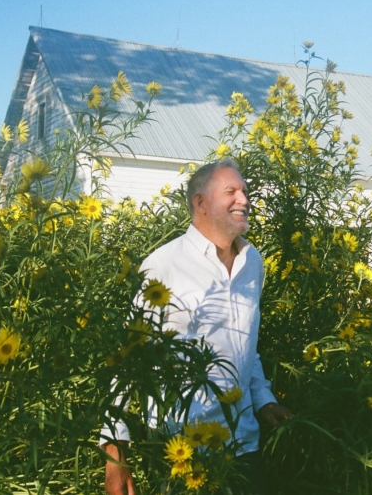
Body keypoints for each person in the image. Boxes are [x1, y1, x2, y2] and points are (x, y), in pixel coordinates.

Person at [101, 158, 293, 495]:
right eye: (231, 192)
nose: (244, 200)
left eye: (245, 191)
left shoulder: (253, 262)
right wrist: (115, 447)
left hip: (243, 443)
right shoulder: (164, 265)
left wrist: (263, 399)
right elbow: (131, 357)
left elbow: (245, 343)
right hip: (181, 451)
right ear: (200, 203)